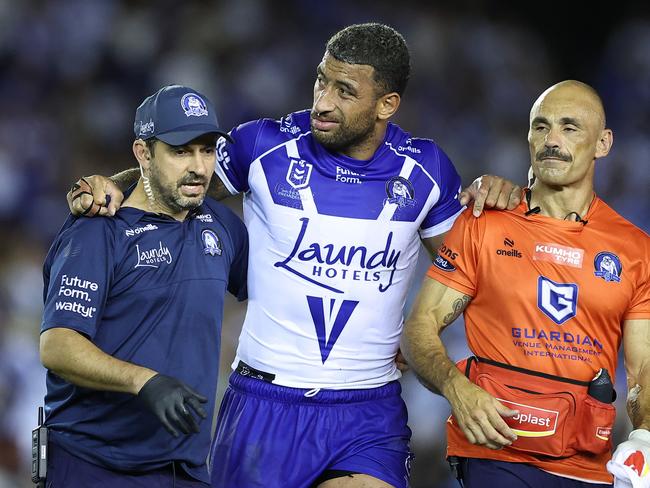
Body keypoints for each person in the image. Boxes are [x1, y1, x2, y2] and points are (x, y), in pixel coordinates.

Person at [66, 24, 521, 488]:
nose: (322, 101)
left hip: (367, 409)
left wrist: (506, 204)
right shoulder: (263, 146)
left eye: (345, 91)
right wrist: (114, 183)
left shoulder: (426, 170)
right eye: (321, 80)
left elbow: (470, 278)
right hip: (263, 406)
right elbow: (175, 181)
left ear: (387, 104)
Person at [403, 80, 650, 487]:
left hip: (588, 465)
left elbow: (642, 368)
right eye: (541, 126)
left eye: (569, 128)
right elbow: (420, 326)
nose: (551, 140)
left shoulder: (635, 250)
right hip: (494, 451)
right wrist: (456, 388)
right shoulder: (484, 223)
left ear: (603, 143)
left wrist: (642, 435)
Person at [40, 85, 248, 487]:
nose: (200, 167)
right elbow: (58, 345)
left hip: (184, 470)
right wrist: (144, 381)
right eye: (181, 151)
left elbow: (279, 292)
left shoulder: (222, 227)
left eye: (207, 150)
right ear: (143, 153)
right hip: (93, 464)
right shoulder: (99, 233)